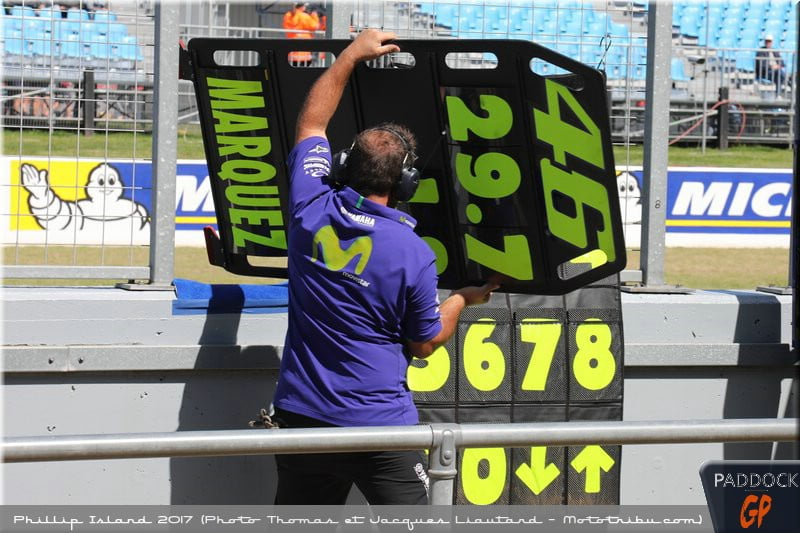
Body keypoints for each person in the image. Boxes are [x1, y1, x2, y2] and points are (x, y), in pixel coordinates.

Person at [271, 29, 499, 505]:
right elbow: (423, 343)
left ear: (342, 165)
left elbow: (312, 124)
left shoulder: (309, 206)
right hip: (379, 428)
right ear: (406, 183)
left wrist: (350, 56)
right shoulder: (413, 252)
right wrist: (462, 299)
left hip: (301, 419)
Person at [282, 2, 320, 67]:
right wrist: (314, 16)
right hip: (304, 48)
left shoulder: (288, 15)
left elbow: (287, 26)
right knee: (304, 67)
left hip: (293, 49)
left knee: (293, 67)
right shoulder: (304, 16)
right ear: (302, 7)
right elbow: (315, 26)